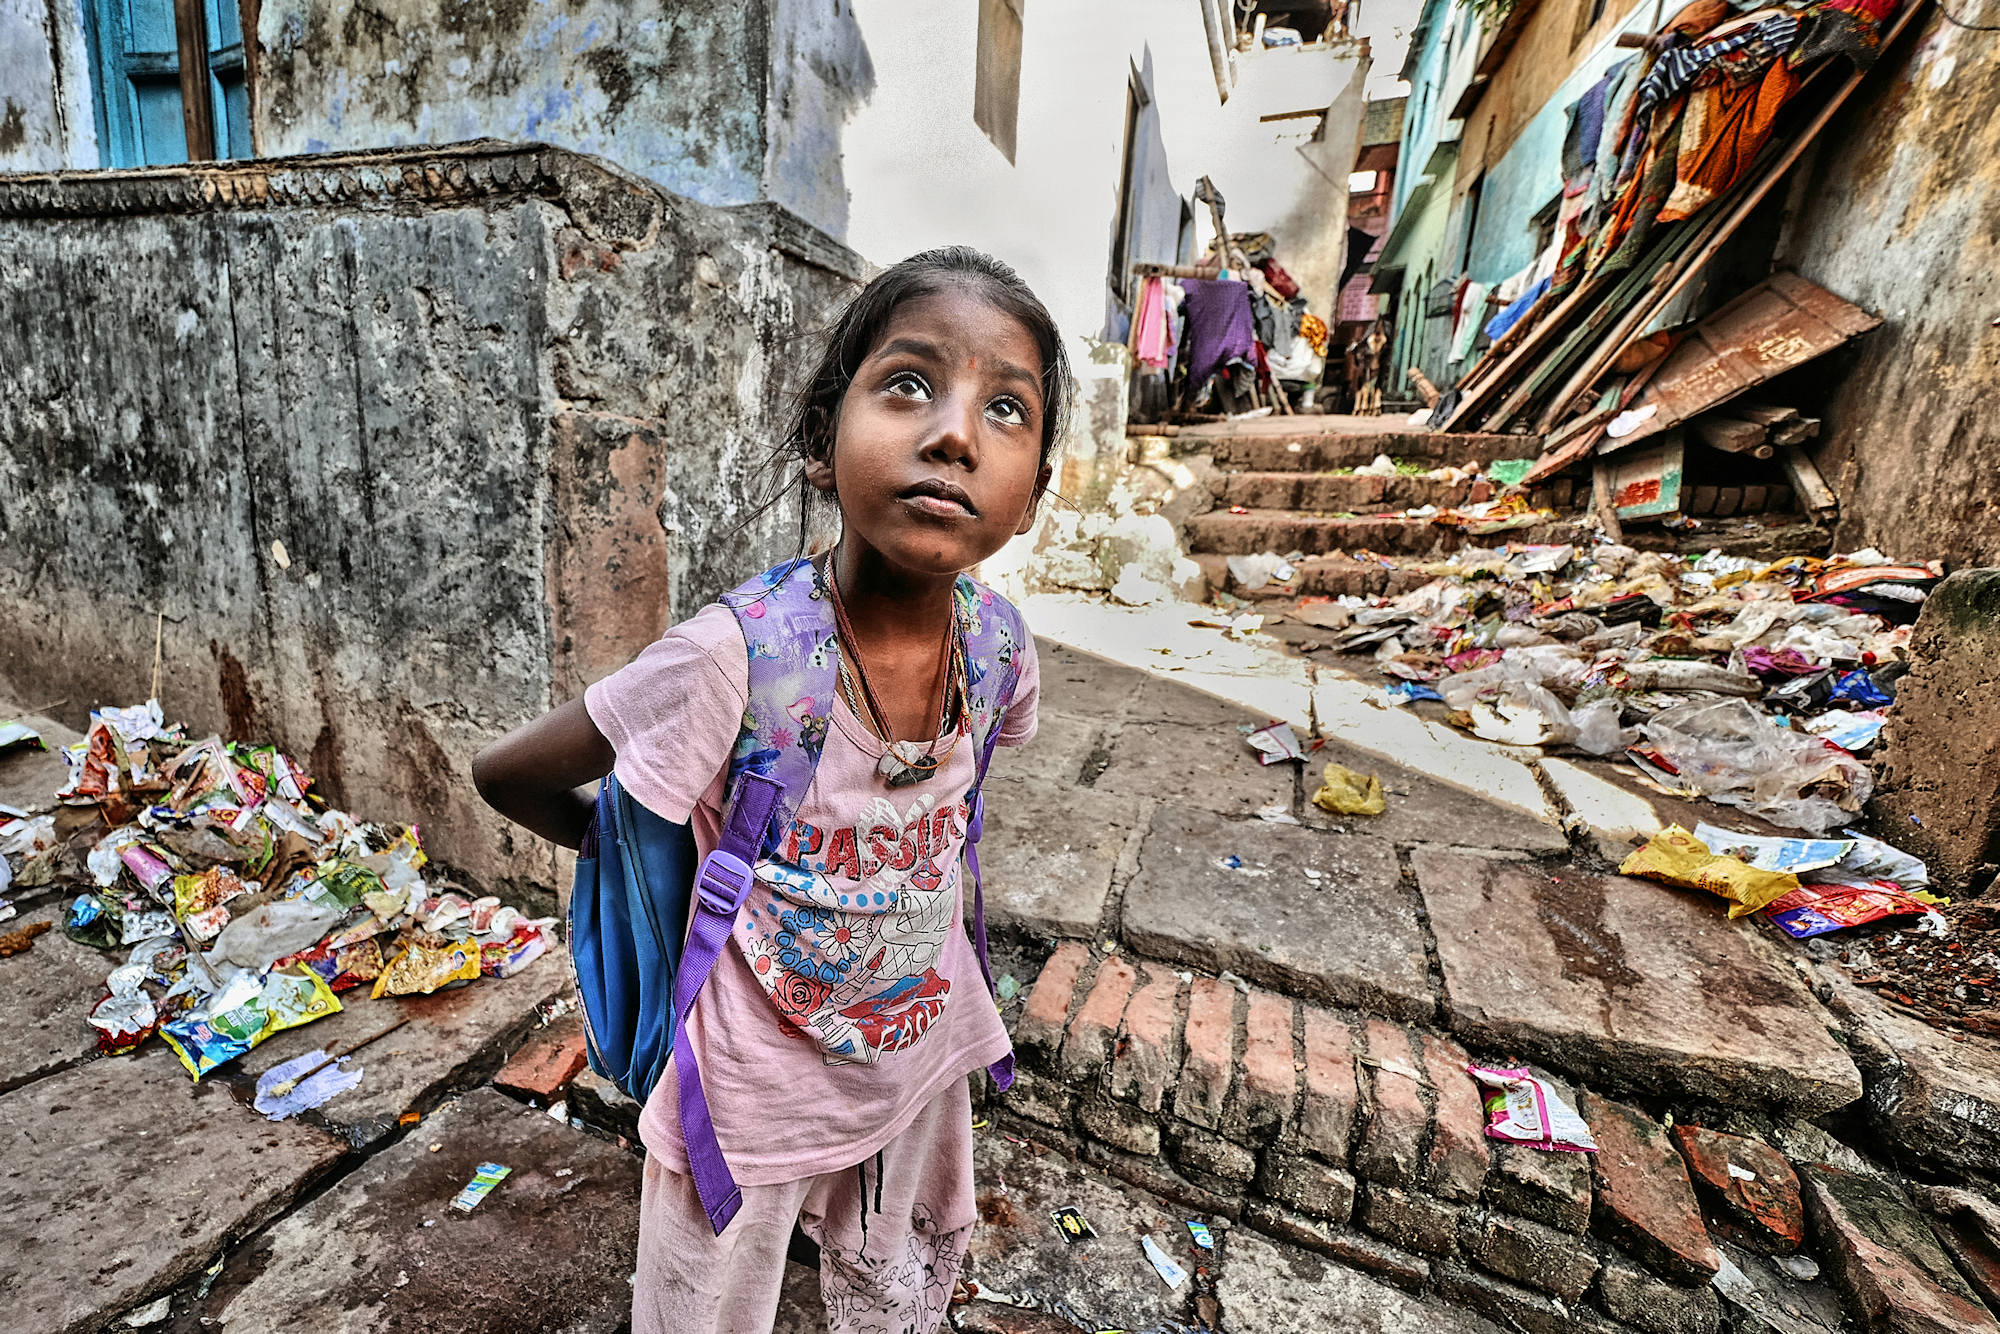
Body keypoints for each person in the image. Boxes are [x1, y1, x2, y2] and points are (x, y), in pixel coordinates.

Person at [472, 246, 1068, 1334]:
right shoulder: (730, 660)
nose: (953, 433)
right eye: (907, 383)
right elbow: (505, 771)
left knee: (891, 1297)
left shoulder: (998, 650)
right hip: (749, 1092)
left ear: (1031, 496)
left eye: (1007, 409)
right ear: (815, 439)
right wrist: (641, 859)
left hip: (915, 1061)